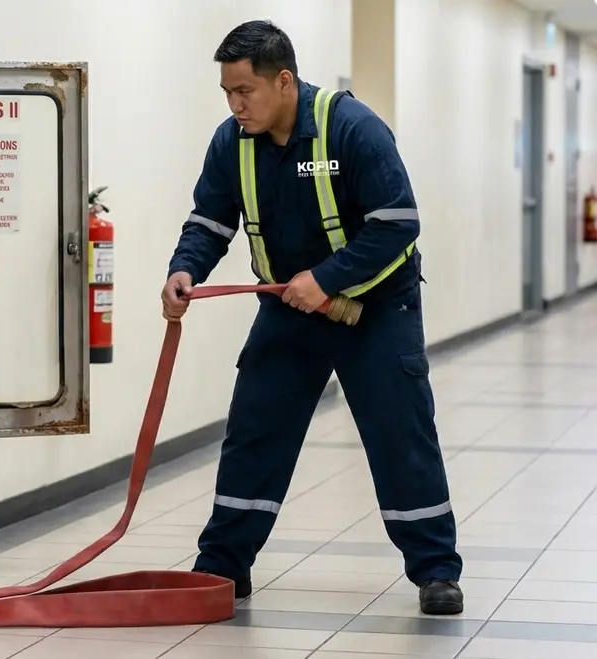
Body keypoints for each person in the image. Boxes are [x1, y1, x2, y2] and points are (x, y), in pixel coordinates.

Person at [161, 19, 464, 615]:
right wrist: (184, 268)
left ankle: (436, 570)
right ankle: (223, 566)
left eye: (244, 91)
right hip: (289, 311)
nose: (235, 105)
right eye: (227, 92)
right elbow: (210, 220)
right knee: (255, 431)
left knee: (400, 433)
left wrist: (326, 279)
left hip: (375, 307)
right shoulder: (232, 142)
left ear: (284, 81)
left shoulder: (352, 129)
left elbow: (398, 223)